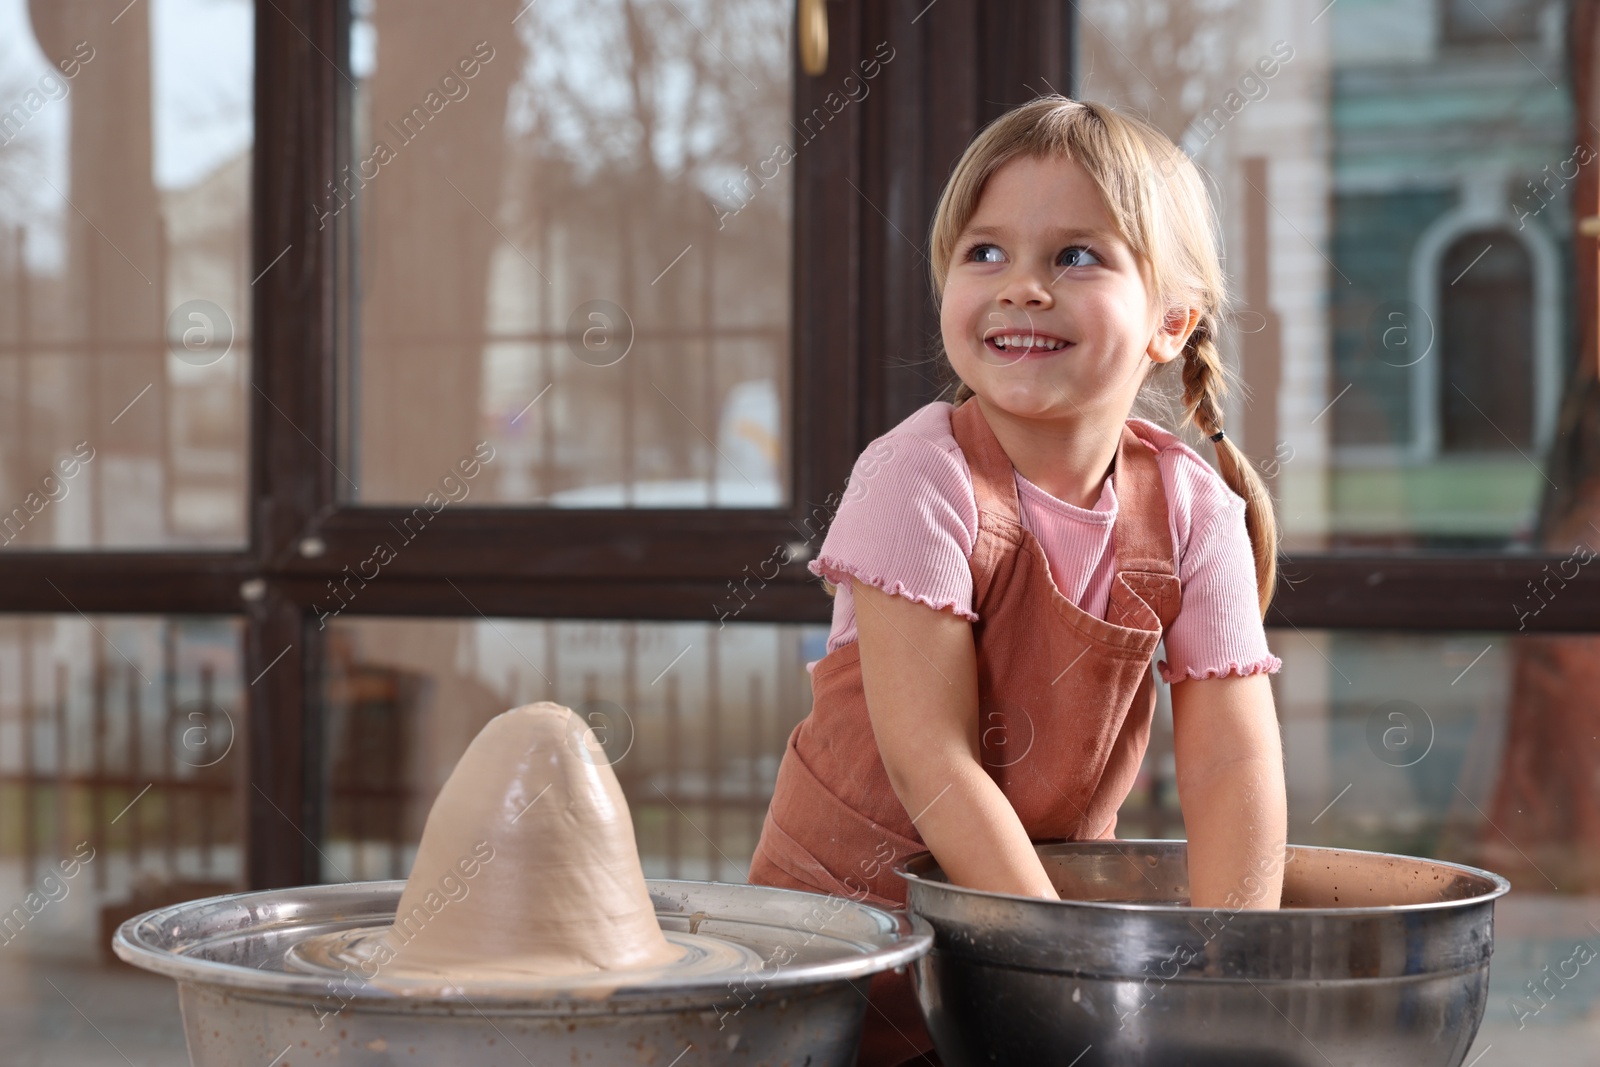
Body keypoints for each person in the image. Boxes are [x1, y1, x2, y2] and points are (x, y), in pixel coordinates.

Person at [747, 95, 1289, 1066]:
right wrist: (1062, 964)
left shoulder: (1192, 508)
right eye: (984, 253)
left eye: (1075, 255)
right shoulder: (916, 476)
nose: (1022, 287)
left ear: (1171, 321)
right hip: (844, 945)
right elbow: (935, 760)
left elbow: (1230, 761)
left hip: (1021, 944)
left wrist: (1230, 966)